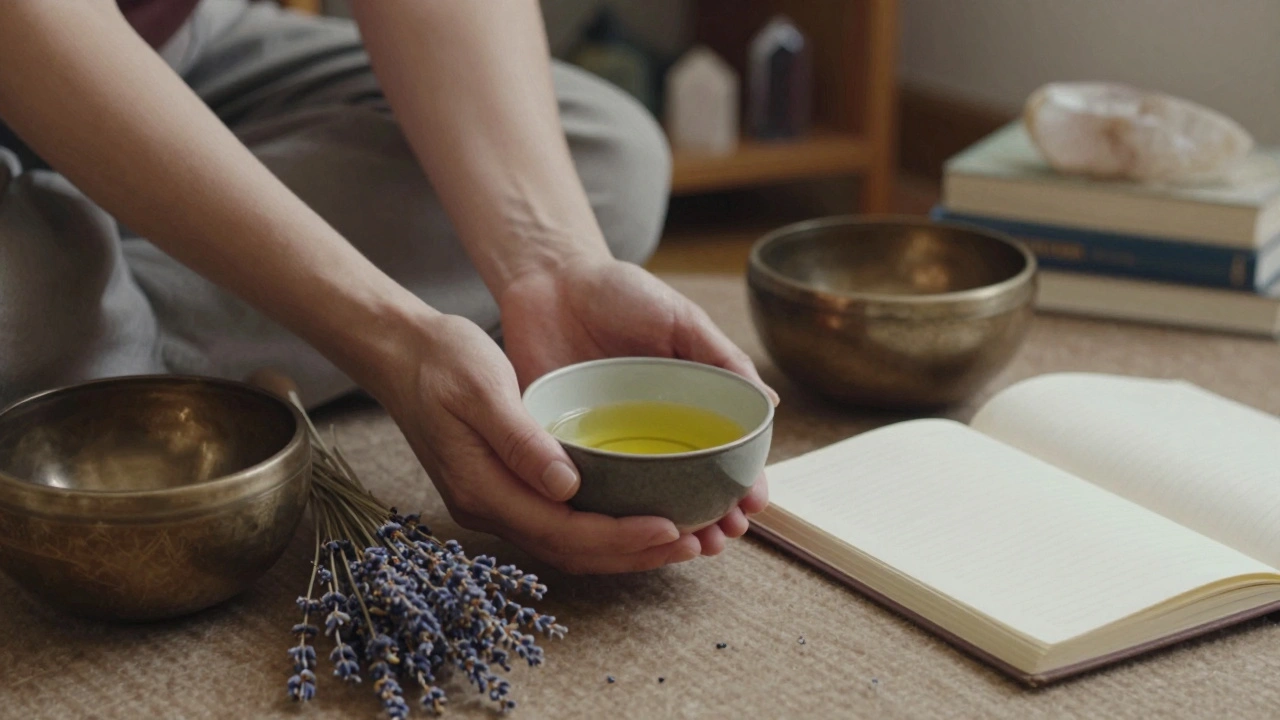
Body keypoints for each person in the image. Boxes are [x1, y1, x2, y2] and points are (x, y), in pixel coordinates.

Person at [0, 0, 777, 574]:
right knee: (33, 316)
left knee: (612, 160)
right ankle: (105, 292)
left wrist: (549, 264)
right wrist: (389, 340)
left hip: (172, 47)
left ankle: (102, 288)